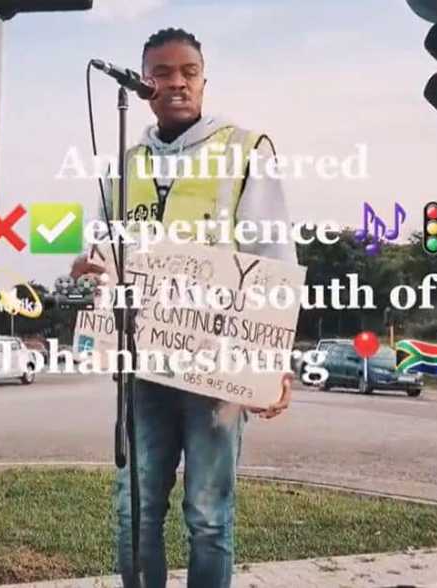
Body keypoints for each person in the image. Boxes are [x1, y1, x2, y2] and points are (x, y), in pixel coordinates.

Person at [70, 28, 296, 588]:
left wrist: (274, 360)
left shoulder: (245, 150)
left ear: (203, 78)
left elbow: (272, 256)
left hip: (217, 374)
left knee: (208, 515)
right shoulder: (124, 163)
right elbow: (102, 251)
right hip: (141, 368)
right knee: (134, 510)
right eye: (162, 73)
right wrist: (87, 268)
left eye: (188, 72)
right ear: (143, 83)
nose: (176, 82)